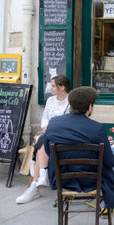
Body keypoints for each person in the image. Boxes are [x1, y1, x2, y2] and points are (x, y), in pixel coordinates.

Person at [43, 87, 114, 215]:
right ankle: (110, 203)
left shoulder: (54, 123)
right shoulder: (97, 128)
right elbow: (110, 162)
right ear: (90, 106)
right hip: (92, 181)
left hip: (62, 179)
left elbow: (48, 151)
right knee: (112, 164)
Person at [16, 75, 70, 204]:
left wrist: (49, 130)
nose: (49, 88)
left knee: (42, 138)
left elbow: (67, 123)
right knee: (42, 138)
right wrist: (46, 128)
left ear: (62, 87)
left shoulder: (70, 101)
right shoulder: (50, 100)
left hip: (63, 137)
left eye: (52, 85)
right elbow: (44, 119)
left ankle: (38, 180)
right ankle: (39, 178)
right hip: (48, 135)